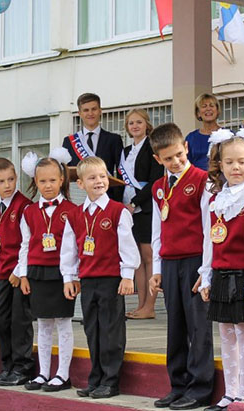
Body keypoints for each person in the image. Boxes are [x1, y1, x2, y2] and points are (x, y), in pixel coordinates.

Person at [195, 128, 244, 411]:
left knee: (243, 332)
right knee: (225, 334)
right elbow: (208, 239)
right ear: (220, 165)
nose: (235, 167)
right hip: (221, 272)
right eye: (229, 162)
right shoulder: (214, 200)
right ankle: (230, 392)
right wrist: (205, 276)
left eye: (241, 161)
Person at [60, 156, 140, 399]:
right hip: (88, 280)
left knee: (111, 330)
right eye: (92, 177)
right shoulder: (75, 215)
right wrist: (69, 277)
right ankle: (96, 379)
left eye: (103, 176)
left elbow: (128, 246)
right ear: (80, 184)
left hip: (111, 280)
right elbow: (69, 249)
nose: (99, 181)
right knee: (92, 329)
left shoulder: (118, 211)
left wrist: (128, 276)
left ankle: (111, 380)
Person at [148, 123, 214, 410]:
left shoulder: (203, 180)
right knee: (175, 326)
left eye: (179, 154)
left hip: (195, 261)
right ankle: (178, 384)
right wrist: (156, 269)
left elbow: (209, 228)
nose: (175, 161)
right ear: (157, 159)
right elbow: (157, 231)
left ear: (186, 147)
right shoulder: (158, 188)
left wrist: (206, 270)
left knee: (198, 326)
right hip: (170, 262)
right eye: (168, 158)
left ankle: (200, 388)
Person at [17, 148, 78, 392]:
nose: (48, 185)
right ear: (35, 181)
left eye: (53, 180)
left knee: (63, 323)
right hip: (37, 273)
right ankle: (43, 372)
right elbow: (24, 244)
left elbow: (75, 248)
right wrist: (23, 274)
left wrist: (73, 276)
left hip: (62, 274)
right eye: (42, 181)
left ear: (62, 180)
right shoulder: (29, 211)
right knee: (43, 324)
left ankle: (63, 374)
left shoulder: (72, 210)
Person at [0, 158, 34, 386]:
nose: (7, 185)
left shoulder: (24, 206)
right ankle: (8, 366)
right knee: (0, 319)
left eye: (11, 179)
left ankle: (23, 367)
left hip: (18, 274)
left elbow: (28, 241)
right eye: (1, 181)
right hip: (2, 273)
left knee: (19, 321)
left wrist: (19, 270)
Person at [118, 109, 163, 319]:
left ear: (146, 124)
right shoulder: (125, 151)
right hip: (127, 208)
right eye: (131, 123)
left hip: (145, 207)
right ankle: (140, 305)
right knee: (135, 257)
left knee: (148, 256)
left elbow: (155, 181)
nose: (135, 126)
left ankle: (150, 306)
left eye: (139, 122)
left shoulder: (152, 147)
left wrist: (135, 202)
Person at [61, 93, 124, 201]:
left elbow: (120, 172)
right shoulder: (69, 142)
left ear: (100, 111)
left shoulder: (114, 139)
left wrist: (117, 199)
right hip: (78, 198)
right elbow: (66, 174)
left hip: (106, 197)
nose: (90, 113)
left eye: (94, 109)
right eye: (86, 110)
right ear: (80, 113)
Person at [185, 93, 222, 170]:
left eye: (211, 106)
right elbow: (186, 165)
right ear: (198, 113)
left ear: (217, 110)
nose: (208, 109)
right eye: (204, 106)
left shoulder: (228, 135)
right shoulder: (191, 138)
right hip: (197, 177)